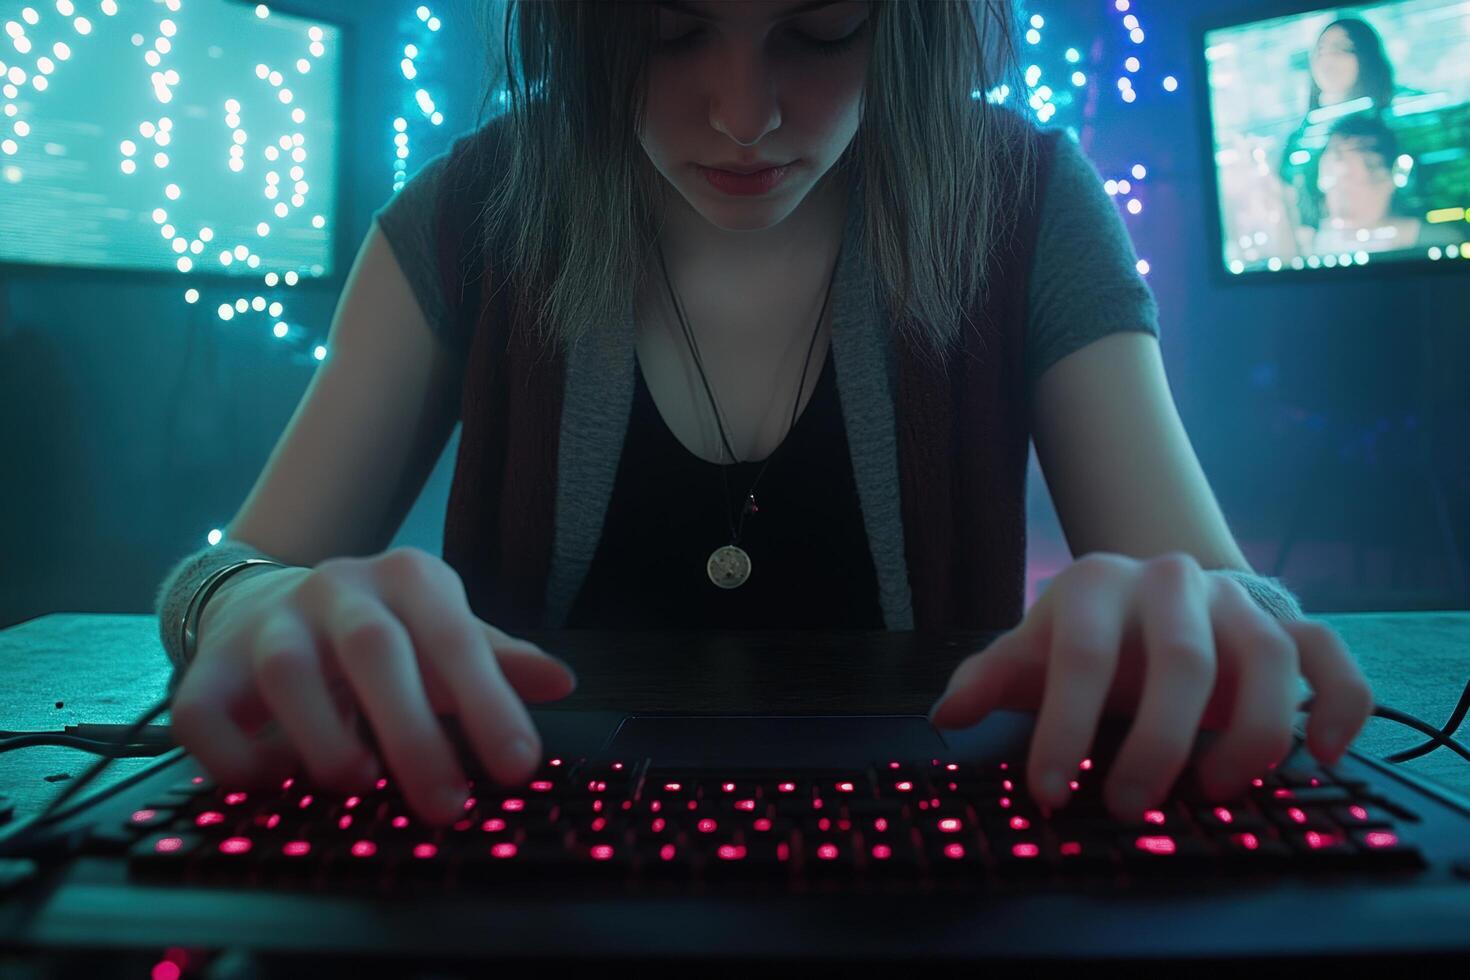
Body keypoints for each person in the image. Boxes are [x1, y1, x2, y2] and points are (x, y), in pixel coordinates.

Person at [155, 1, 1373, 832]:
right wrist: (248, 603)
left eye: (821, 30)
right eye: (667, 28)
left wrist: (1223, 617)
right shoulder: (471, 209)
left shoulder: (1028, 200)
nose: (745, 113)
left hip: (931, 906)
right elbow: (229, 572)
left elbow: (1221, 602)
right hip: (516, 887)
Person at [1279, 17, 1398, 240]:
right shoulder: (1300, 140)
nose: (1328, 58)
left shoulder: (1396, 122)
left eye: (1342, 48)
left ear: (1366, 57)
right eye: (1321, 50)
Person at [1313, 111, 1465, 255]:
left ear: (1389, 178)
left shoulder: (1438, 243)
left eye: (1351, 177)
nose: (1340, 191)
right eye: (1331, 178)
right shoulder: (1313, 246)